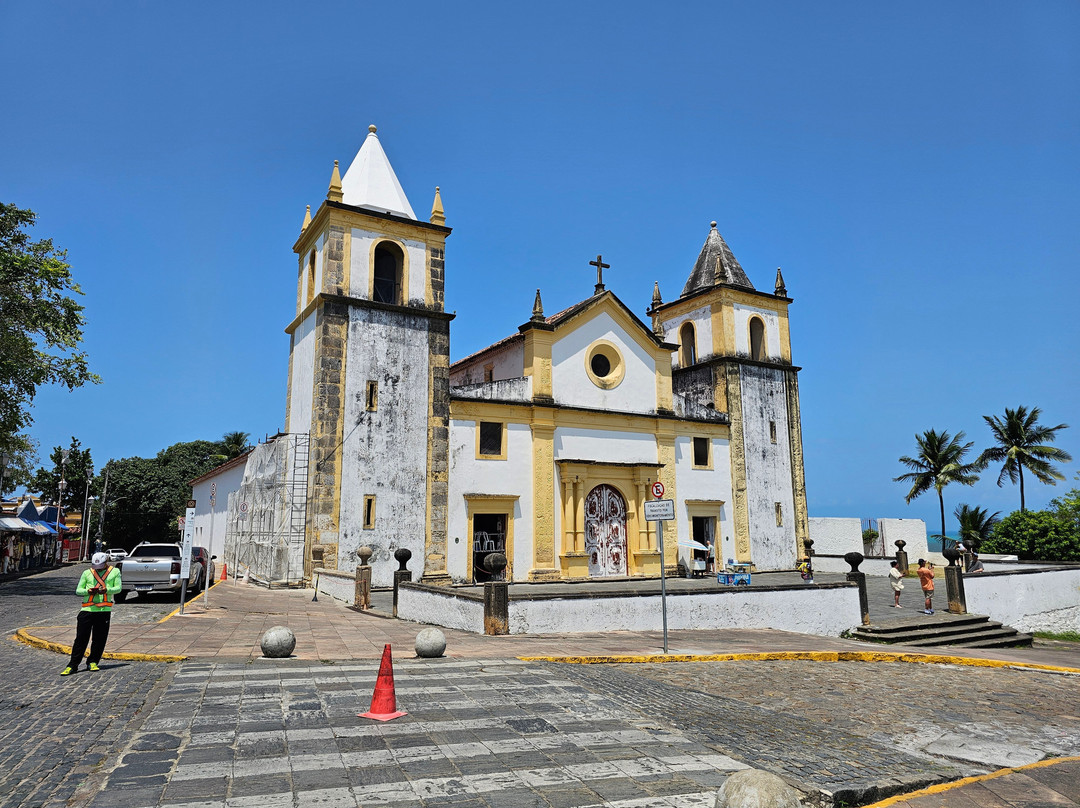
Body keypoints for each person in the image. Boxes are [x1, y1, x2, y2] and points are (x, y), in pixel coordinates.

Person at [60, 552, 121, 676]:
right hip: (87, 611)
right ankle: (73, 665)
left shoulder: (115, 572)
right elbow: (78, 590)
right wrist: (88, 591)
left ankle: (93, 661)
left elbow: (118, 588)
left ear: (106, 562)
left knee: (99, 639)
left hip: (104, 611)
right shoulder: (87, 573)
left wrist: (107, 590)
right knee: (81, 639)